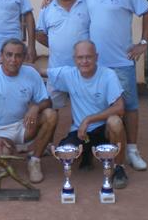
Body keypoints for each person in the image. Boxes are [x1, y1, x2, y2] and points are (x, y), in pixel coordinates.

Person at [83, 0, 148, 171]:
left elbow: (147, 11)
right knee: (101, 108)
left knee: (130, 107)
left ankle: (132, 150)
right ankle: (102, 148)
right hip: (96, 65)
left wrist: (143, 43)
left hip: (122, 62)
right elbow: (71, 0)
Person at [43, 40, 128, 188]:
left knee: (115, 121)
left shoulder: (108, 75)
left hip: (103, 130)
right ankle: (87, 153)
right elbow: (39, 71)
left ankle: (119, 168)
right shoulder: (68, 74)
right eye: (80, 57)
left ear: (96, 57)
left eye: (88, 57)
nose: (84, 61)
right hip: (80, 132)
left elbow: (120, 107)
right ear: (74, 59)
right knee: (66, 154)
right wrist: (6, 63)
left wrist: (89, 119)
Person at [0, 38, 57, 183]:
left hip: (24, 125)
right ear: (1, 55)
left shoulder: (31, 73)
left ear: (23, 58)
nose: (13, 60)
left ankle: (34, 160)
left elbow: (47, 101)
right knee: (1, 156)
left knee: (51, 115)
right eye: (9, 55)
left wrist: (36, 107)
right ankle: (5, 147)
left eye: (18, 55)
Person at [36, 0, 90, 109]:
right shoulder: (47, 7)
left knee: (84, 111)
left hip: (83, 71)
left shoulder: (87, 4)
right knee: (49, 111)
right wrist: (56, 45)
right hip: (56, 71)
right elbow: (40, 34)